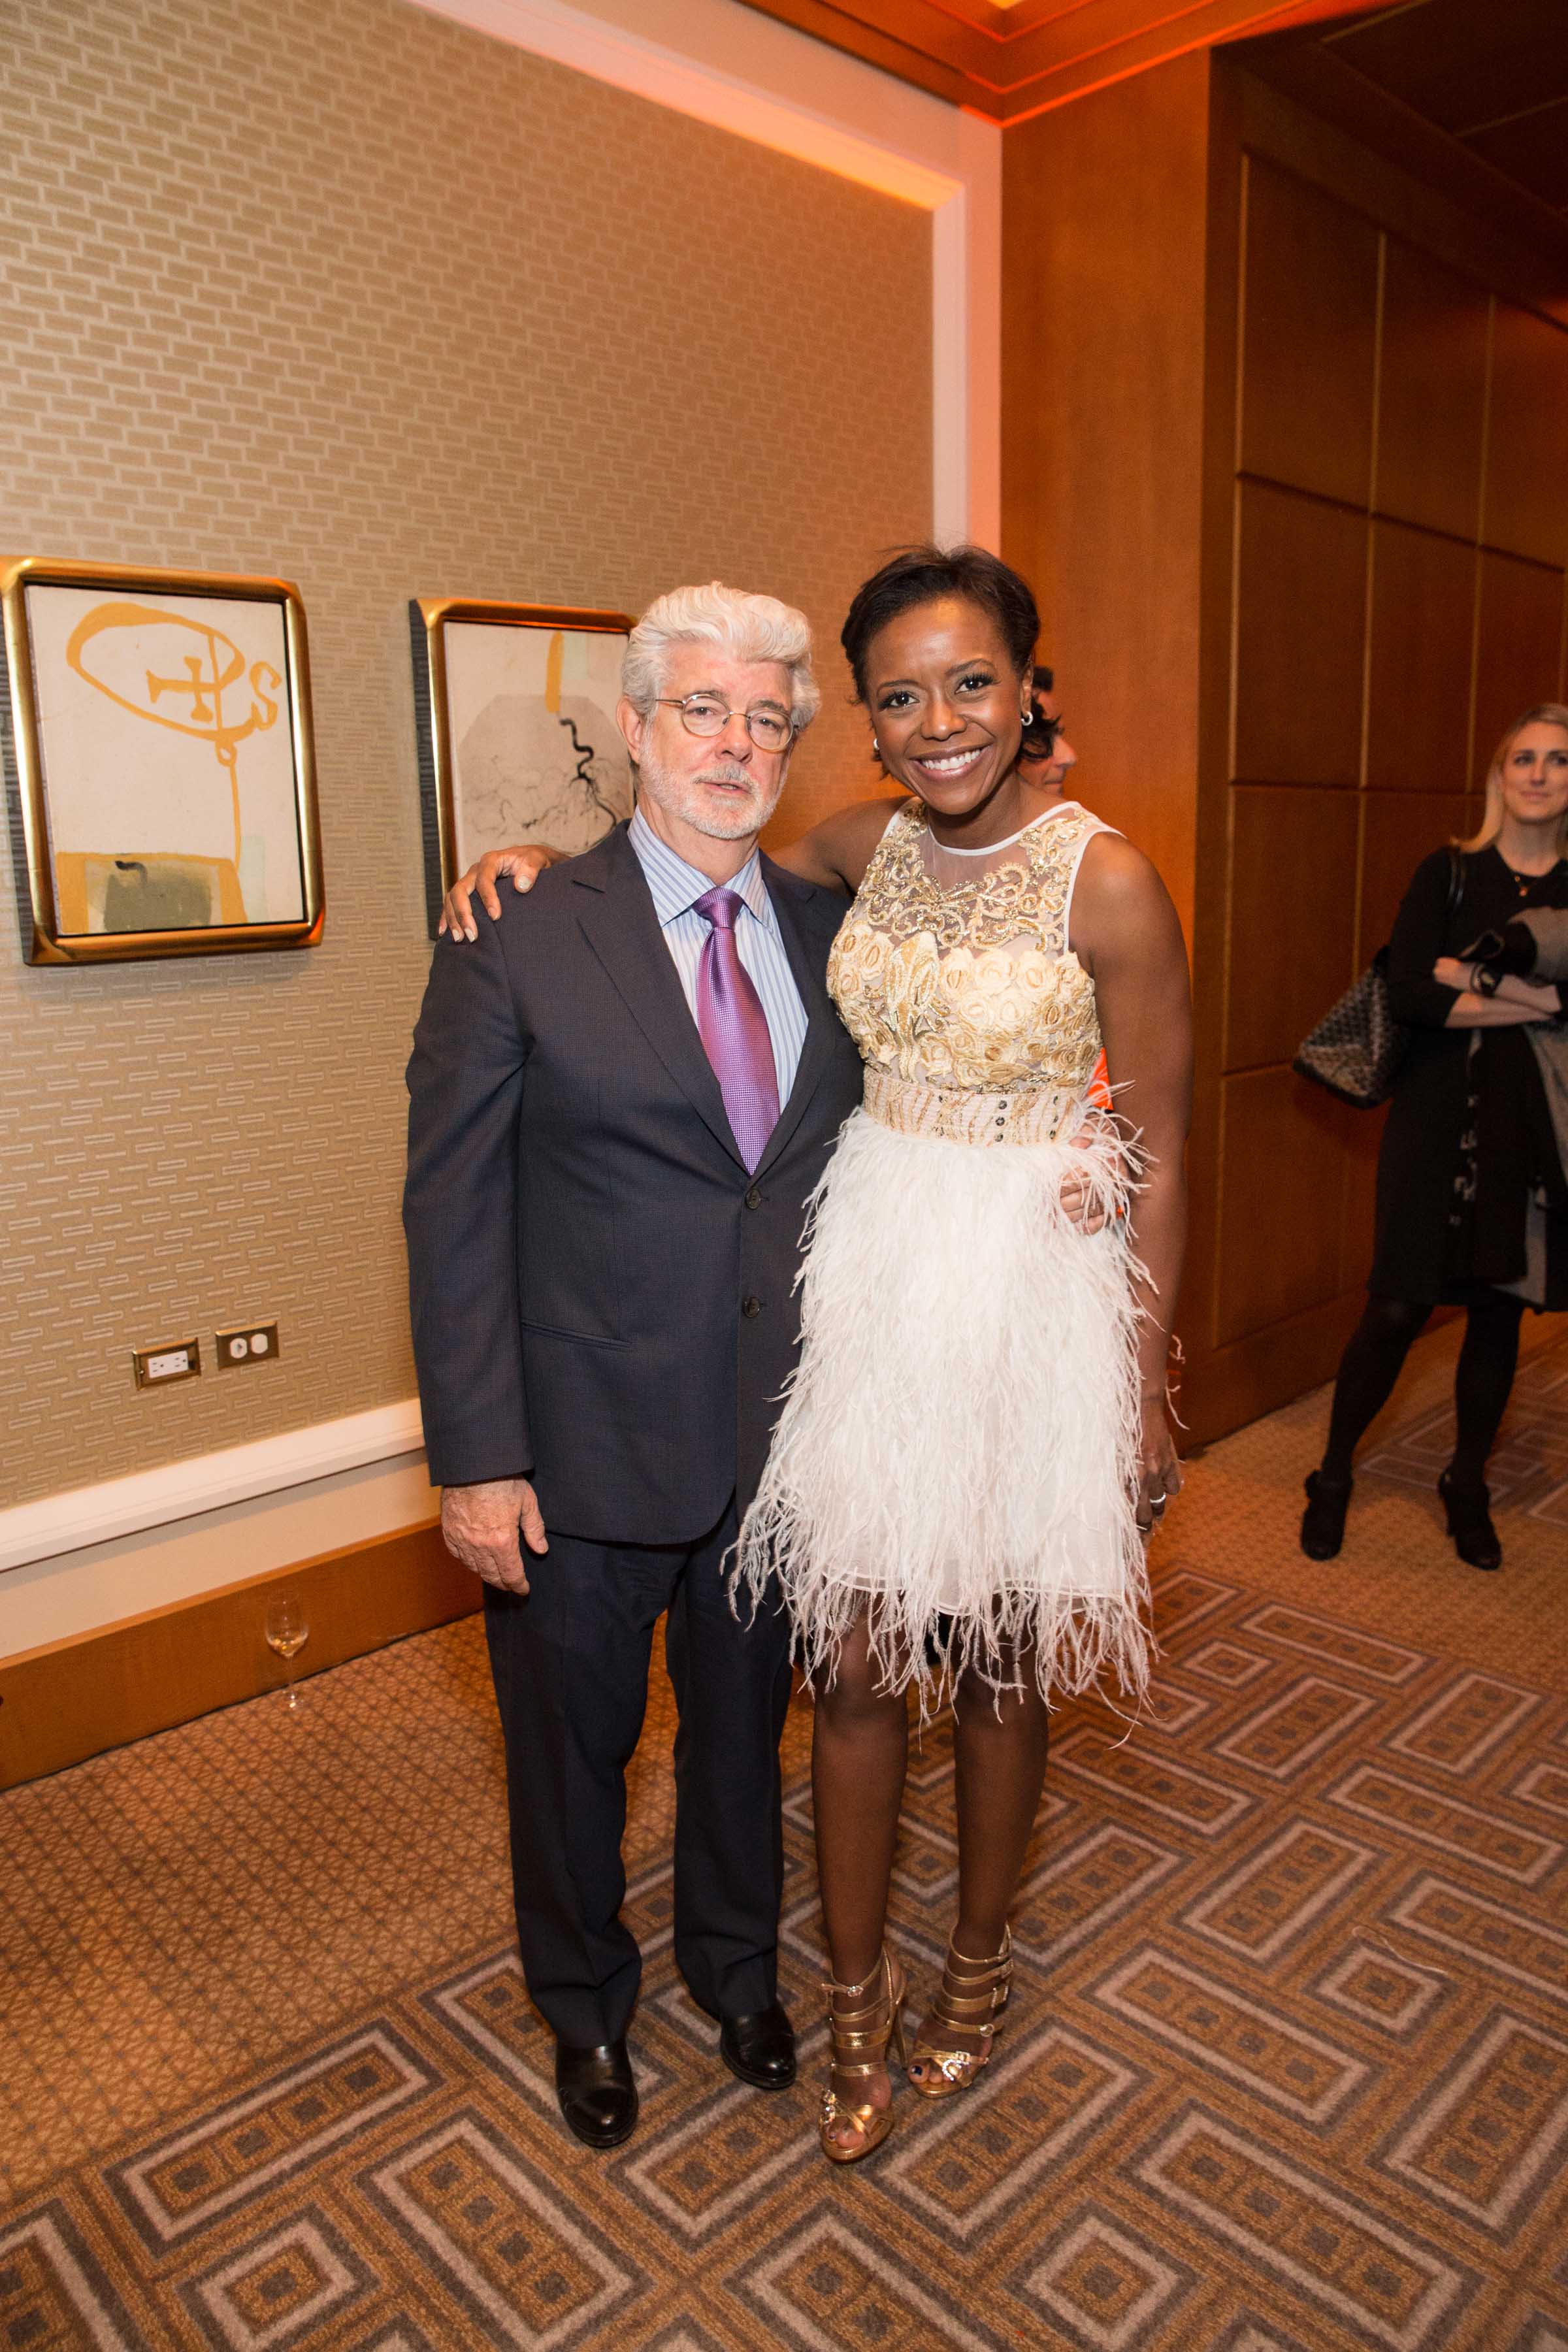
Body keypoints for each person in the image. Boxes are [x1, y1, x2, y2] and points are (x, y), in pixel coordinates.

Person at [446, 547, 1192, 2166]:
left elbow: (1155, 1138)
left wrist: (1138, 1379)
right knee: (780, 1687)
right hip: (774, 1347)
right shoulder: (822, 862)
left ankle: (902, 1973)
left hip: (969, 1324)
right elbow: (661, 891)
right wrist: (541, 860)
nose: (941, 720)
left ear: (1030, 689)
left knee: (950, 1671)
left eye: (765, 719)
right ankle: (722, 2000)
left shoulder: (1054, 884)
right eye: (900, 696)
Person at [402, 583, 868, 2149]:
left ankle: (739, 1973)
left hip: (774, 1445)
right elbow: (453, 1207)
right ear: (636, 725)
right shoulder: (519, 928)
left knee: (744, 1741)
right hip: (576, 1448)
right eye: (703, 710)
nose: (734, 745)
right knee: (571, 1758)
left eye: (766, 719)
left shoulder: (836, 936)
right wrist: (477, 1458)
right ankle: (586, 2005)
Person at [1301, 704, 1568, 1572]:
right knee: (1396, 1307)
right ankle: (1332, 1474)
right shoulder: (1449, 871)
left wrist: (1474, 980)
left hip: (1528, 1129)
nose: (1538, 774)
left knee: (1497, 1313)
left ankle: (1467, 1484)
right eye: (1523, 758)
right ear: (1501, 774)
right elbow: (1413, 991)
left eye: (1558, 761)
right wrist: (1538, 1002)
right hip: (1433, 1118)